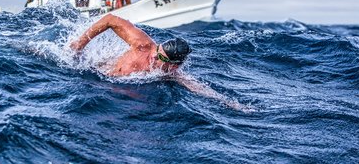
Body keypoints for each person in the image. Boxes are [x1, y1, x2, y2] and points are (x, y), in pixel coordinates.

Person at [70, 14, 247, 110]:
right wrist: (80, 43)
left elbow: (200, 89)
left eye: (160, 58)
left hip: (111, 100)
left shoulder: (171, 76)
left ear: (173, 66)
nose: (154, 56)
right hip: (89, 77)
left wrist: (233, 104)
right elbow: (110, 19)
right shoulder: (143, 45)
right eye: (158, 51)